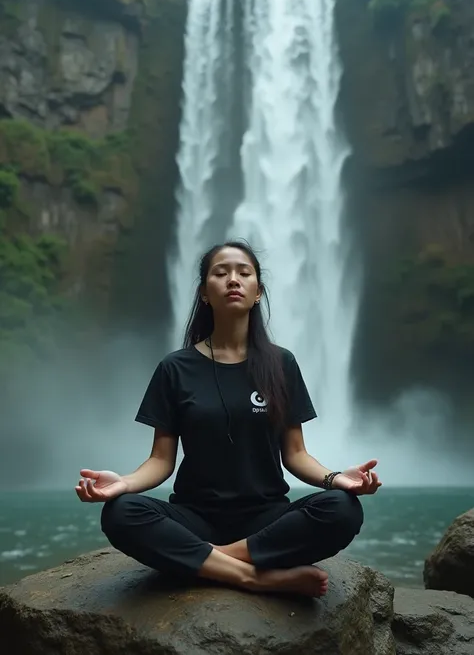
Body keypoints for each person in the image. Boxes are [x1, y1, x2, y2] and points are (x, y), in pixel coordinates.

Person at [76, 241, 381, 598]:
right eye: (220, 273)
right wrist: (123, 484)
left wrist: (336, 479)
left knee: (343, 509)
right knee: (120, 513)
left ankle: (208, 562)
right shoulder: (175, 368)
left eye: (243, 273)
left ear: (257, 292)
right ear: (205, 293)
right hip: (194, 517)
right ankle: (255, 578)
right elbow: (161, 461)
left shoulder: (282, 365)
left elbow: (296, 455)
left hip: (266, 517)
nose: (232, 280)